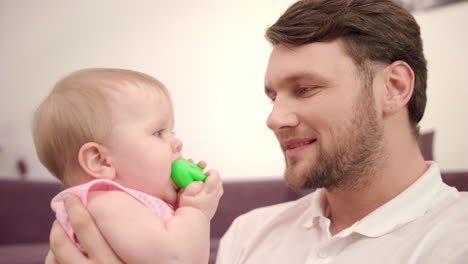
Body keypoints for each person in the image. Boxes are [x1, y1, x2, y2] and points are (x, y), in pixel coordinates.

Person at [46, 0, 468, 263]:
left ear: (393, 88)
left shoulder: (456, 239)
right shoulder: (248, 235)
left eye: (304, 89)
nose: (274, 119)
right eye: (273, 97)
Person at [34, 68, 223, 264]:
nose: (177, 143)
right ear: (100, 161)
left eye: (172, 131)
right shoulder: (107, 201)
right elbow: (176, 258)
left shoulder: (124, 206)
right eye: (159, 133)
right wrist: (196, 210)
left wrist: (181, 206)